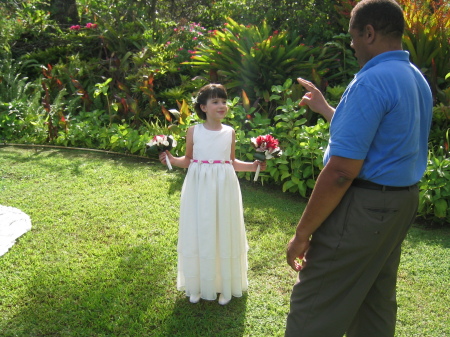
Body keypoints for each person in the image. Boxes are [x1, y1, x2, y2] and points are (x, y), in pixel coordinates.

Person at [284, 0, 433, 336]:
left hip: (365, 209)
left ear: (369, 32)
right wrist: (326, 109)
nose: (351, 46)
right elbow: (378, 141)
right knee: (374, 302)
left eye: (352, 37)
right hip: (400, 204)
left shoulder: (371, 81)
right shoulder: (414, 78)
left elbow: (341, 172)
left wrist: (302, 234)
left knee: (315, 305)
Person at [159, 83, 266, 305]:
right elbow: (187, 160)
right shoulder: (193, 131)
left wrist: (254, 166)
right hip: (199, 186)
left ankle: (225, 285)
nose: (221, 106)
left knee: (223, 228)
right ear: (203, 107)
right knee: (201, 229)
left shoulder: (229, 132)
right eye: (215, 101)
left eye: (224, 101)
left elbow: (232, 162)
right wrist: (170, 158)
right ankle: (198, 284)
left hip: (224, 186)